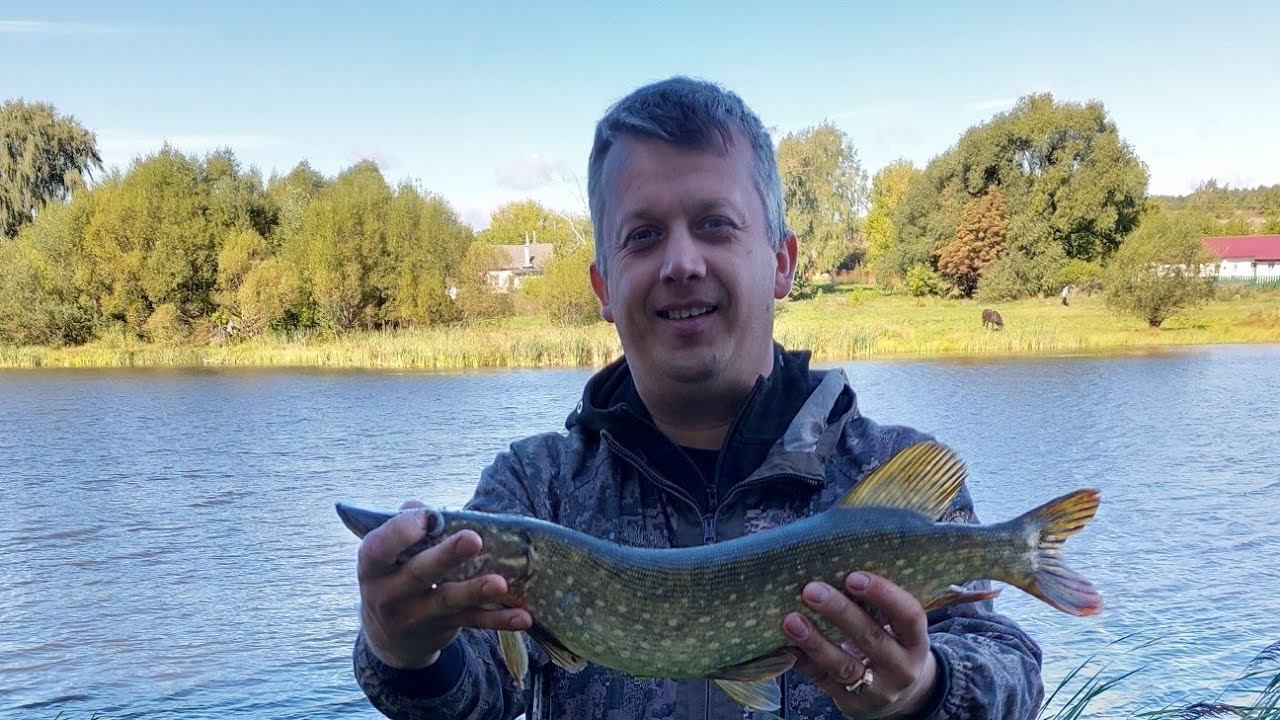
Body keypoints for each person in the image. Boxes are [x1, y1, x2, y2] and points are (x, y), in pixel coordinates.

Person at [351, 77, 1044, 719]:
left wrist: (924, 691)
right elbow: (473, 694)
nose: (681, 263)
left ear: (781, 263)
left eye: (715, 224)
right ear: (604, 288)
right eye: (643, 236)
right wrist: (404, 649)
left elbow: (1009, 669)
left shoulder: (881, 468)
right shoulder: (538, 488)